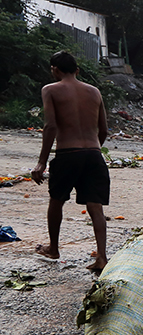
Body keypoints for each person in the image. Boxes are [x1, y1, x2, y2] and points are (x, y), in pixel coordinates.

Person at [31, 50, 110, 272]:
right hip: (94, 155)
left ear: (54, 69)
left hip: (67, 154)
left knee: (57, 200)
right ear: (77, 70)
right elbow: (103, 129)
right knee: (96, 207)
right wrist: (93, 148)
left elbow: (51, 126)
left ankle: (53, 248)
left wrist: (41, 162)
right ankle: (102, 257)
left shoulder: (50, 90)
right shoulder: (94, 92)